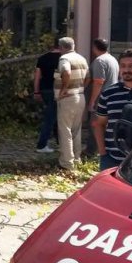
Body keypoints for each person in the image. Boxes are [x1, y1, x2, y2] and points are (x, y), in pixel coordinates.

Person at [54, 37, 89, 170]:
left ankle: (67, 162)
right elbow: (88, 77)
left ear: (61, 47)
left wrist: (64, 90)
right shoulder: (82, 58)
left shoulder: (65, 59)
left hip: (67, 98)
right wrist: (81, 88)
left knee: (65, 130)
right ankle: (76, 158)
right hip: (80, 96)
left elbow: (66, 72)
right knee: (76, 129)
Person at [84, 38, 119, 155]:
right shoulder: (112, 59)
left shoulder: (100, 61)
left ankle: (92, 151)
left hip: (101, 97)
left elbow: (99, 81)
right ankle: (103, 149)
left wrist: (92, 101)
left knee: (95, 124)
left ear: (94, 47)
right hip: (112, 97)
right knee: (106, 125)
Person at [33, 38, 62, 153]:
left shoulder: (42, 58)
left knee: (54, 116)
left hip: (45, 89)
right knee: (51, 118)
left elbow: (37, 77)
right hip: (57, 90)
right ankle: (41, 144)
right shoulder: (63, 59)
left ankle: (59, 142)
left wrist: (36, 91)